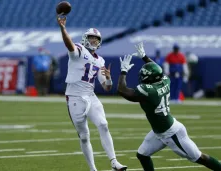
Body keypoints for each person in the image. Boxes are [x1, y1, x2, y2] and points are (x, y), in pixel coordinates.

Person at [117, 42, 221, 171]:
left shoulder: (150, 91)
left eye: (144, 76)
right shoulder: (165, 80)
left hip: (172, 133)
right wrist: (144, 57)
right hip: (159, 131)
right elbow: (157, 69)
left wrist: (123, 71)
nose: (142, 78)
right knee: (142, 155)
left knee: (200, 157)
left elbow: (122, 90)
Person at [57, 15, 127, 171]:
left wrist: (109, 79)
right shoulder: (79, 50)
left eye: (96, 39)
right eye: (91, 38)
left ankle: (114, 162)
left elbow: (106, 87)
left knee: (103, 124)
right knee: (84, 135)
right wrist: (63, 28)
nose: (94, 41)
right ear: (85, 38)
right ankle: (92, 168)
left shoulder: (100, 60)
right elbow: (69, 45)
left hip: (90, 95)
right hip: (74, 97)